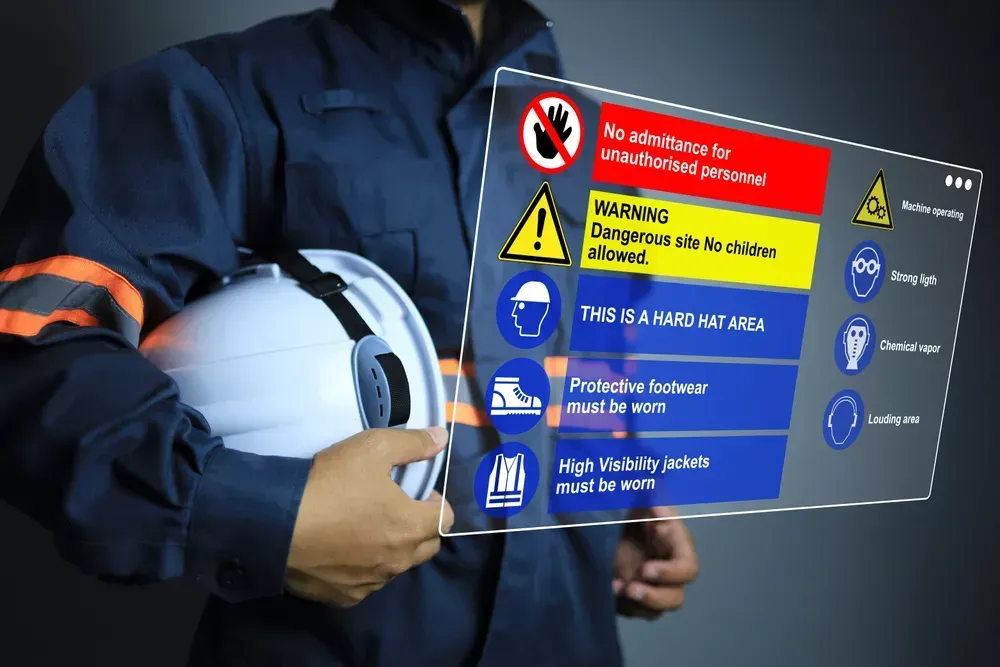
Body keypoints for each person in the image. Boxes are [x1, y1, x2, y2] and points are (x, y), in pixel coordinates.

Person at [0, 1, 699, 665]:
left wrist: (609, 502)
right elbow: (32, 345)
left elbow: (590, 375)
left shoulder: (592, 147)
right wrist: (256, 515)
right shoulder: (224, 97)